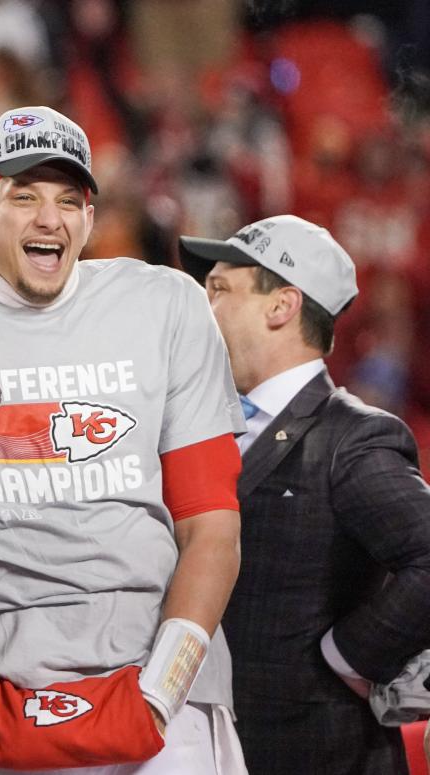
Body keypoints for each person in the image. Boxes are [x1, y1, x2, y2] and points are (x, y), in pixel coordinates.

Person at [0, 106, 248, 775]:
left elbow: (211, 528)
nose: (50, 219)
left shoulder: (165, 305)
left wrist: (162, 690)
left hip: (159, 683)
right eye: (24, 195)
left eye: (70, 200)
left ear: (90, 219)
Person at [179, 214, 430, 775]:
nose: (202, 304)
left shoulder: (354, 438)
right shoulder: (199, 421)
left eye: (219, 288)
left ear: (281, 306)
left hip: (320, 752)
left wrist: (350, 658)